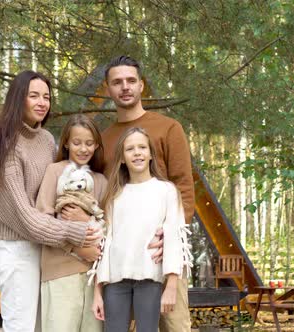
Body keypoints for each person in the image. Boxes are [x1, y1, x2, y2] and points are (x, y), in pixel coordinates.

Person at [0, 71, 101, 332]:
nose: (42, 102)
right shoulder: (5, 144)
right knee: (22, 327)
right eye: (33, 95)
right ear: (18, 99)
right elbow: (26, 218)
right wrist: (78, 232)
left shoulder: (47, 140)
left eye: (46, 97)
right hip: (18, 250)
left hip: (47, 248)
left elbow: (58, 190)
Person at [101, 55, 195, 332]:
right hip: (122, 262)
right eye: (117, 82)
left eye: (131, 81)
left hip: (162, 255)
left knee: (175, 325)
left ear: (142, 86)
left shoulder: (168, 128)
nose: (125, 87)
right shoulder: (104, 139)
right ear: (108, 89)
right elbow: (106, 195)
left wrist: (172, 236)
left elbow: (184, 187)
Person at [92, 127, 185, 331]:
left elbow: (174, 238)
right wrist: (97, 291)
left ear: (151, 154)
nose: (137, 152)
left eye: (142, 147)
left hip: (149, 278)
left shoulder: (166, 191)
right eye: (130, 149)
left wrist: (171, 285)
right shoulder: (114, 196)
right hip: (115, 282)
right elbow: (105, 244)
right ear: (122, 158)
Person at [35, 114, 107, 332]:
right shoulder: (54, 171)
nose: (83, 149)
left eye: (89, 143)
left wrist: (86, 220)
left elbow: (106, 226)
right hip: (60, 273)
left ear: (96, 145)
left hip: (92, 278)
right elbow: (42, 222)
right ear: (66, 142)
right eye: (77, 143)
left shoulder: (101, 180)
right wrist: (77, 247)